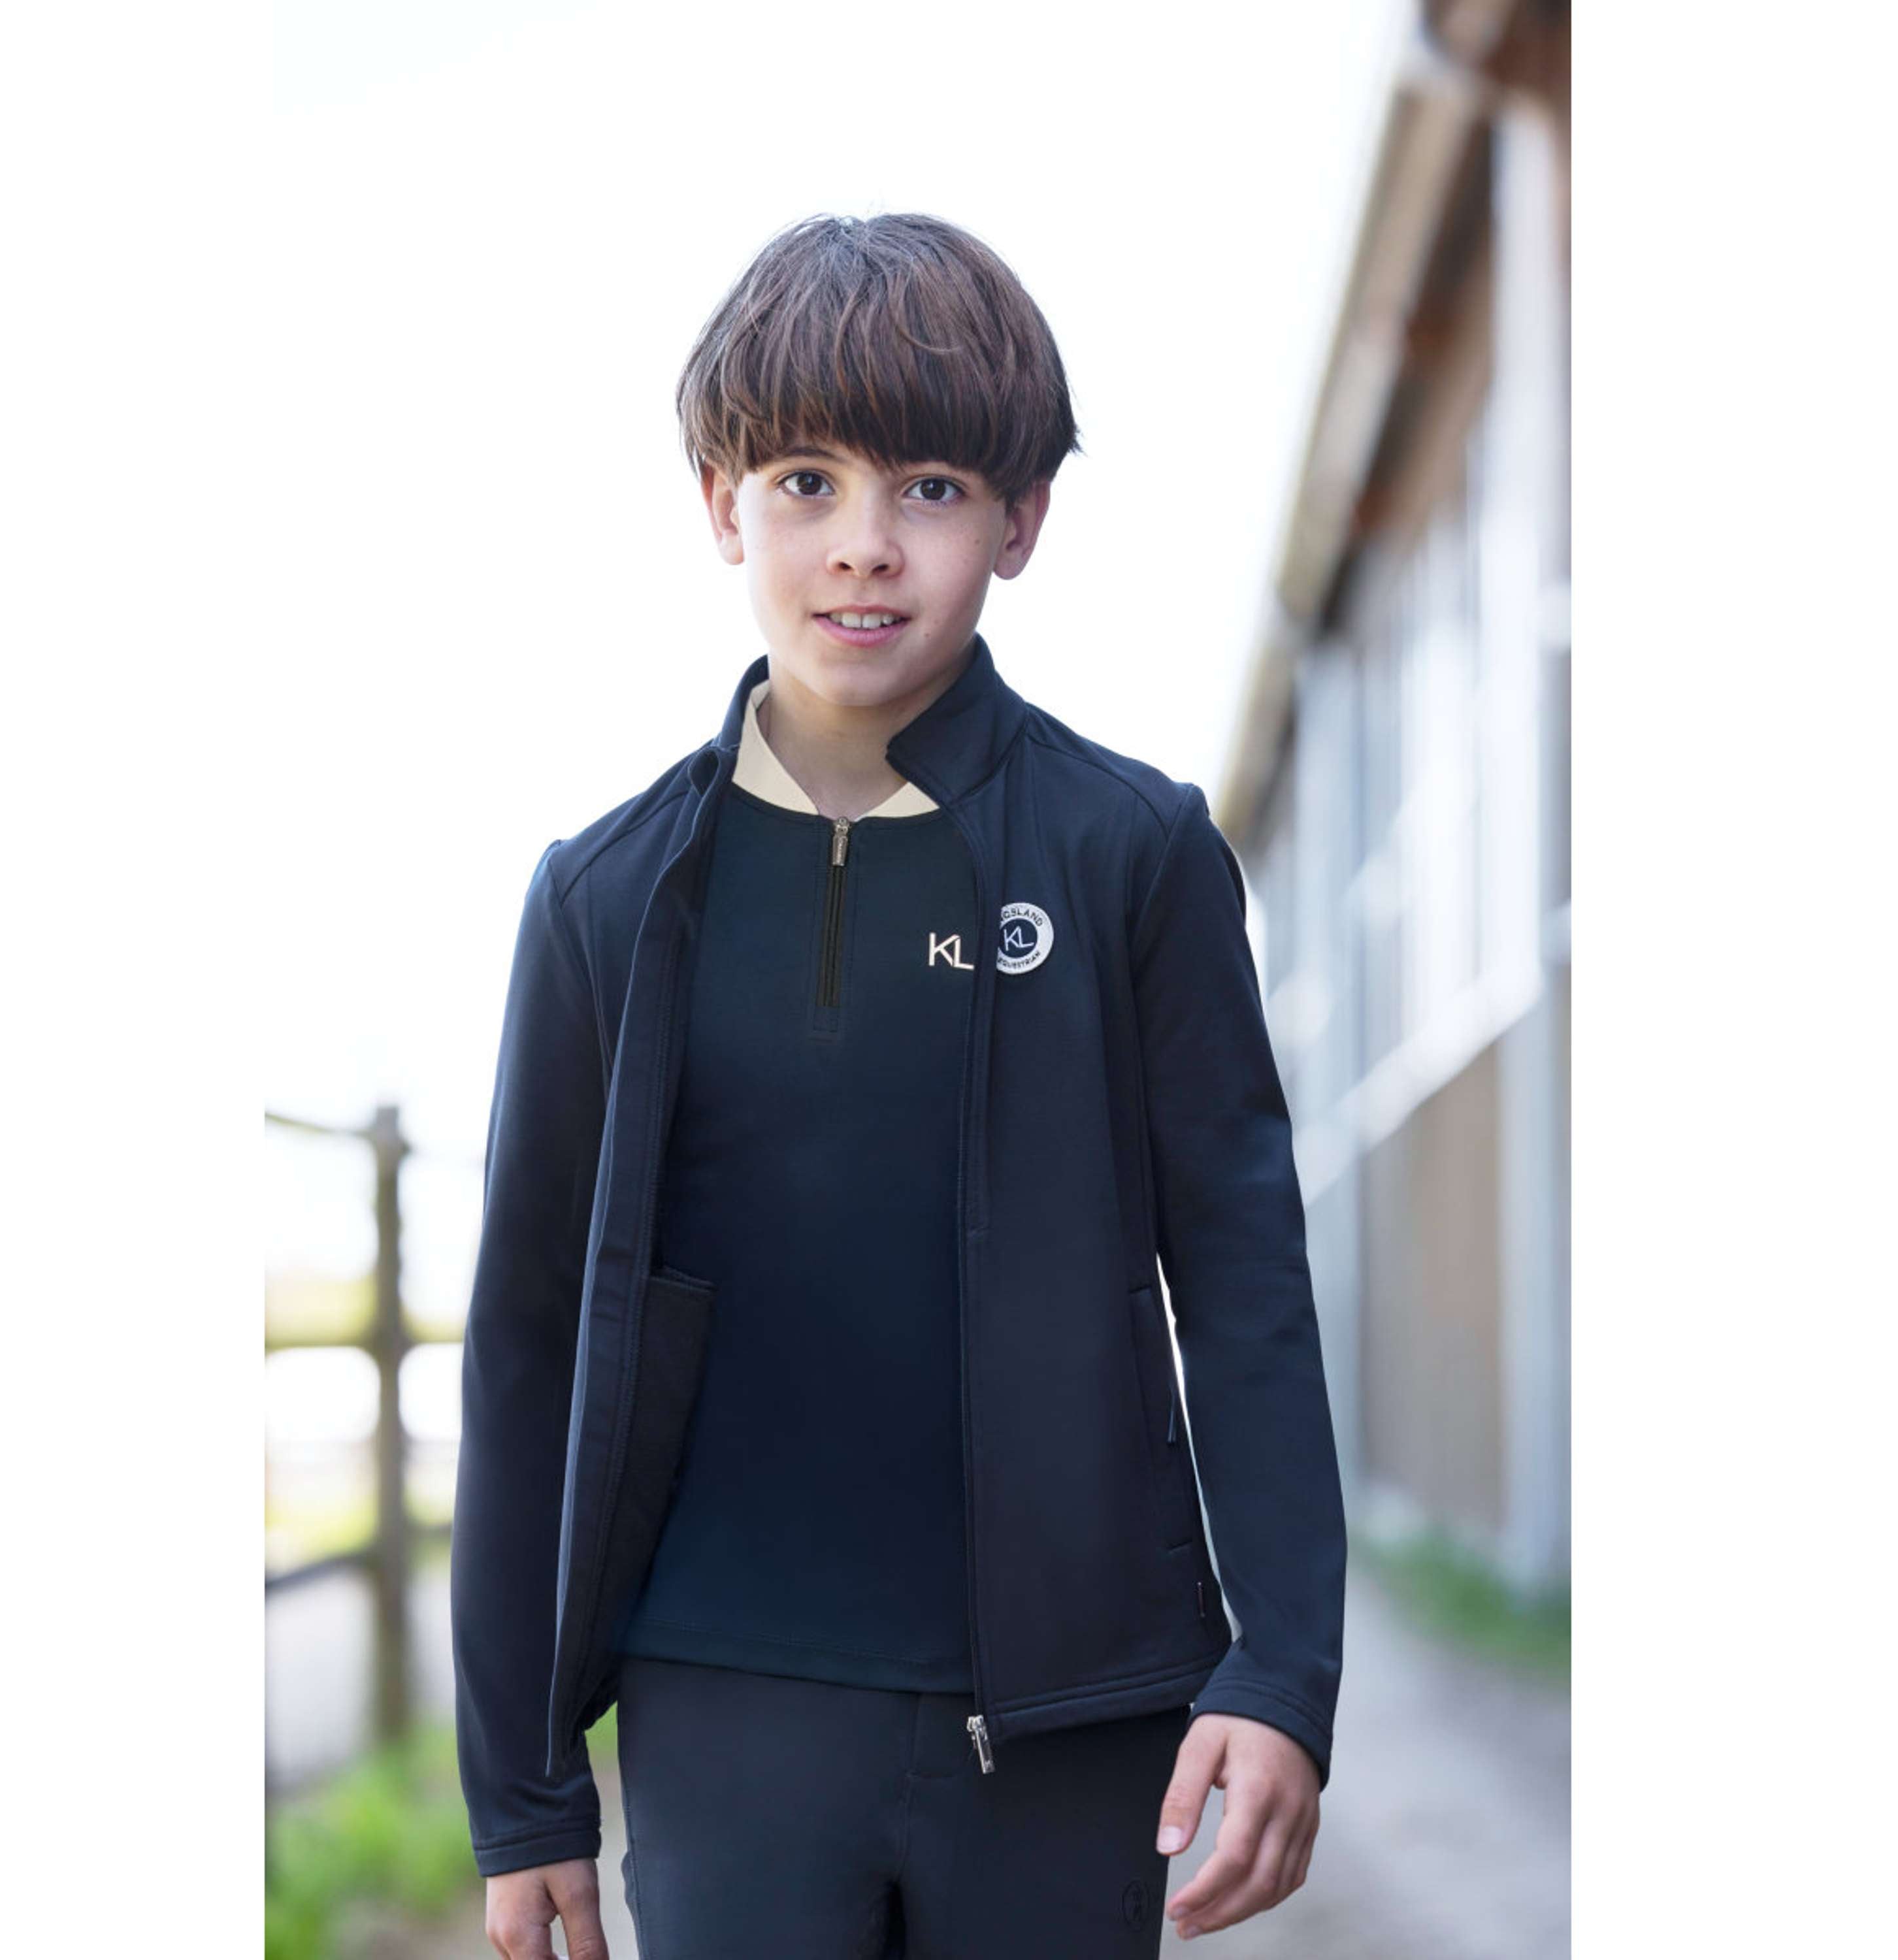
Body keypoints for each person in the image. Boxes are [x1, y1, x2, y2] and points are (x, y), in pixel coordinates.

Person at [451, 210, 1347, 1960]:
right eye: (807, 482)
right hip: (722, 1703)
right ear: (722, 505)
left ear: (1022, 521)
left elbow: (1245, 1284)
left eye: (929, 487)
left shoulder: (1132, 855)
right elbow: (527, 1345)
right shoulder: (609, 899)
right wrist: (524, 1787)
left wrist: (1284, 1672)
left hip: (1075, 1717)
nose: (864, 544)